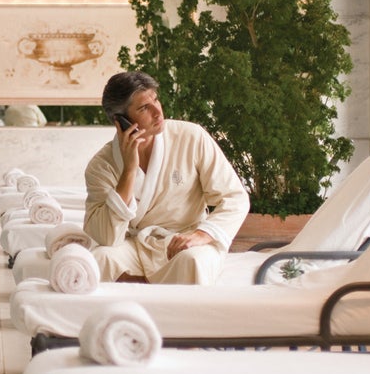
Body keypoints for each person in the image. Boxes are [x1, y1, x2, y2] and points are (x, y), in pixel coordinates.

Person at [83, 71, 250, 285]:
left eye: (155, 100)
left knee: (192, 261)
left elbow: (235, 197)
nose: (157, 112)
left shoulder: (191, 137)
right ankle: (121, 317)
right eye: (144, 108)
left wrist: (202, 235)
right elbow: (107, 237)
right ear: (121, 121)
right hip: (135, 244)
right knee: (100, 259)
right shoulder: (101, 166)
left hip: (186, 239)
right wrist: (129, 170)